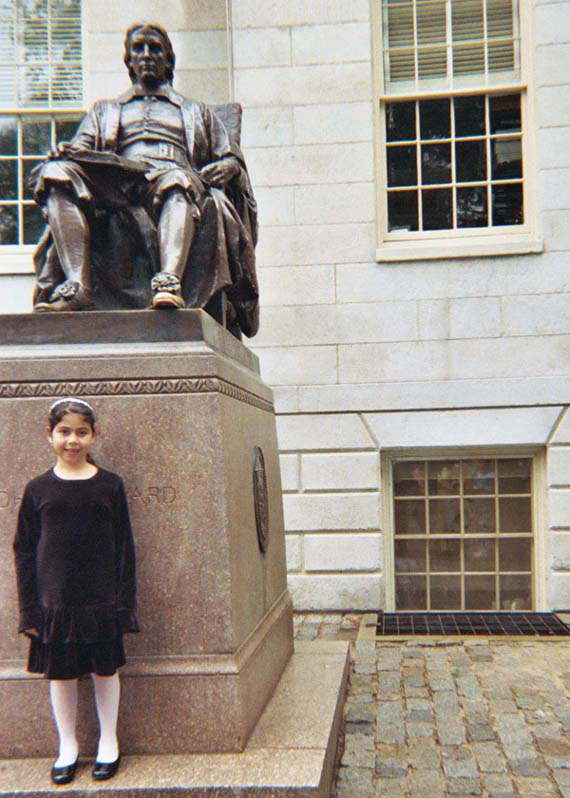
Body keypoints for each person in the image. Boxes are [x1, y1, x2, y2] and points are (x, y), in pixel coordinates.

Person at [31, 23, 259, 337]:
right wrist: (63, 153)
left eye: (155, 48)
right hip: (115, 180)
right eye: (139, 48)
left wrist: (231, 166)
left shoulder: (196, 111)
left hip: (170, 175)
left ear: (169, 60)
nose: (147, 55)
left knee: (177, 180)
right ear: (129, 61)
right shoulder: (105, 111)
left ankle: (168, 282)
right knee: (55, 173)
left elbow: (229, 155)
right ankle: (77, 287)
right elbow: (81, 150)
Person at [13, 398, 138, 785]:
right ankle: (67, 746)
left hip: (101, 600)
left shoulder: (109, 485)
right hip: (57, 602)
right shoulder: (38, 490)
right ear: (49, 435)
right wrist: (30, 610)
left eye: (81, 432)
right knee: (61, 675)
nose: (73, 440)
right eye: (64, 432)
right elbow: (23, 550)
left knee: (105, 669)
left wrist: (124, 604)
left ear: (94, 436)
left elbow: (125, 548)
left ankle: (108, 742)